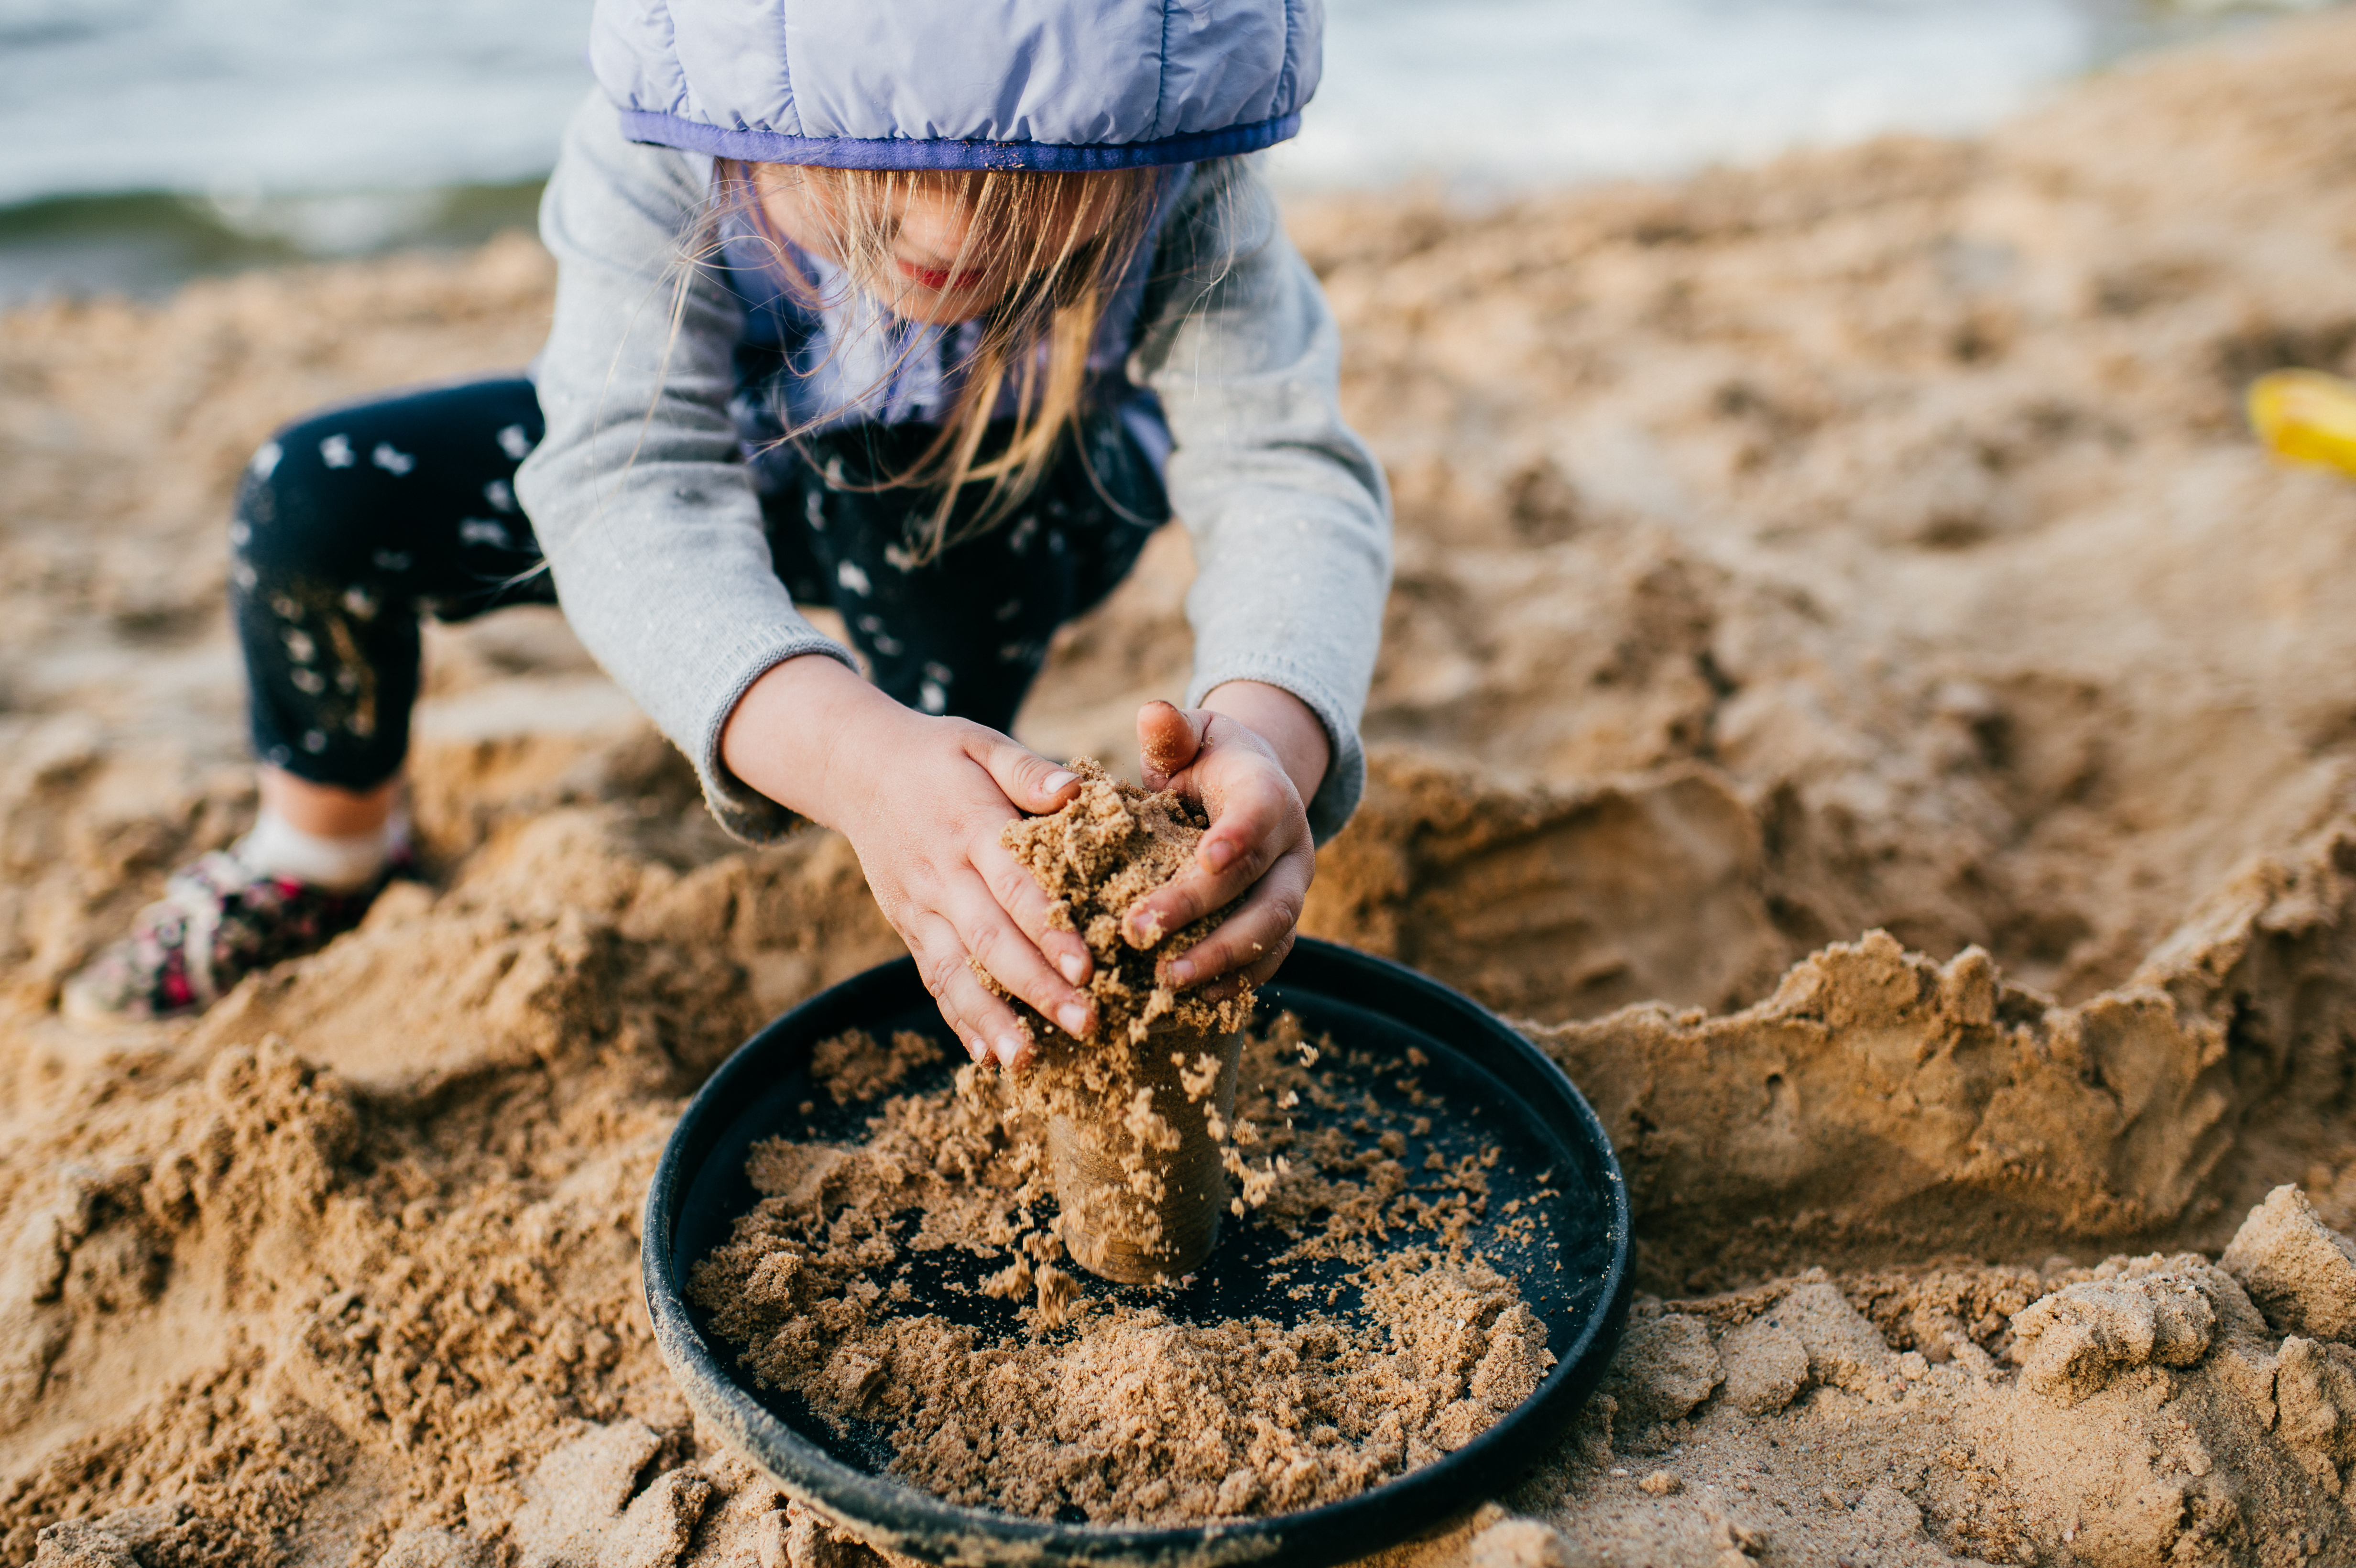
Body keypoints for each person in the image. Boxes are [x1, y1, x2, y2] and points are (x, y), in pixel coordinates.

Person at [66, 0, 1392, 1070]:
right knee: (317, 493)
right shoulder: (671, 136)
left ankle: (968, 820)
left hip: (1010, 495)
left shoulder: (1177, 171)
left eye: (1022, 186)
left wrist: (1273, 733)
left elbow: (1283, 463)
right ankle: (323, 848)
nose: (946, 233)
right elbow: (626, 477)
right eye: (883, 175)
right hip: (742, 465)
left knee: (912, 478)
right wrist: (850, 758)